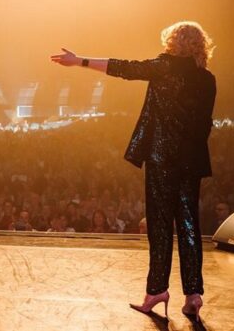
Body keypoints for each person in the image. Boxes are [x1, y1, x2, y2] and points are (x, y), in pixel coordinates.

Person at [51, 21, 216, 321]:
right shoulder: (207, 80)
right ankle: (194, 294)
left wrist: (81, 62)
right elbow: (205, 124)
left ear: (174, 42)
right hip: (191, 160)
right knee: (190, 225)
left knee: (161, 225)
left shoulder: (164, 66)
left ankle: (156, 291)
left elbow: (125, 68)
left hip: (162, 158)